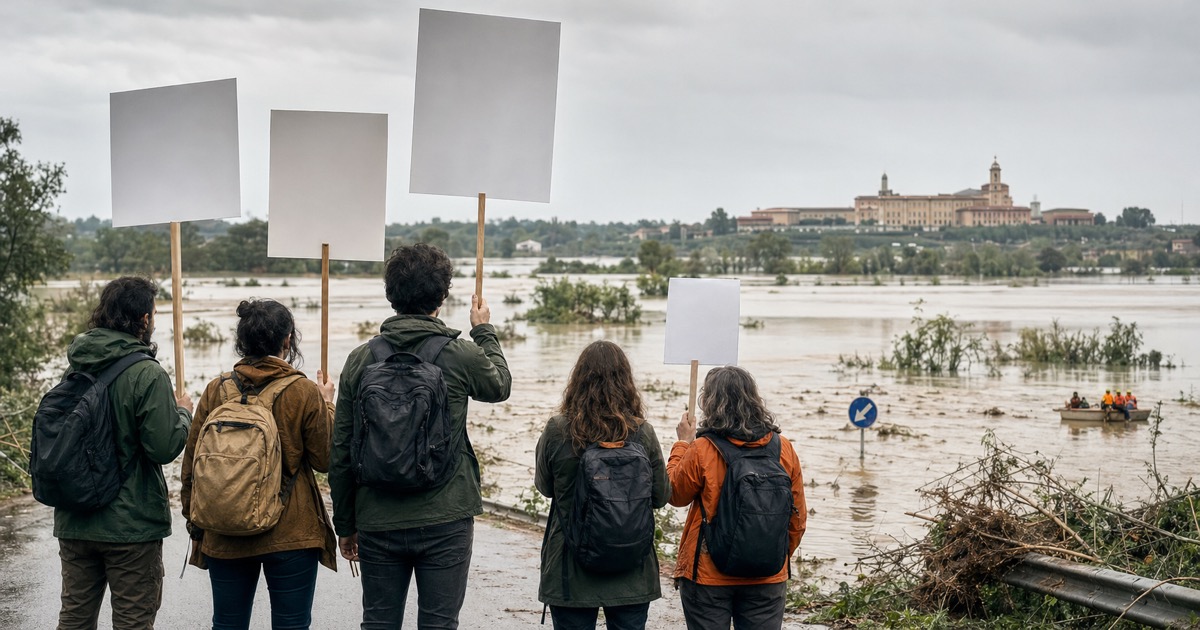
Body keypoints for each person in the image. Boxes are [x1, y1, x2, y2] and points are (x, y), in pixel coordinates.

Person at [329, 243, 511, 629]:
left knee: (378, 623)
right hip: (446, 515)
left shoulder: (360, 359)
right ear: (442, 296)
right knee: (439, 624)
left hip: (377, 516)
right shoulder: (460, 354)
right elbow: (499, 386)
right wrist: (483, 330)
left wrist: (345, 524)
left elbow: (342, 448)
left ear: (390, 295)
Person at [180, 299, 336, 629]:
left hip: (225, 528)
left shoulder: (216, 390)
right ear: (287, 340)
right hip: (292, 531)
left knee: (227, 624)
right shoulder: (303, 391)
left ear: (242, 341)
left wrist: (196, 528)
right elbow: (325, 459)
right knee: (292, 625)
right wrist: (327, 405)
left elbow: (192, 466)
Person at [53, 276, 192, 629]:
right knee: (133, 621)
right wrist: (183, 413)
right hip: (131, 525)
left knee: (74, 618)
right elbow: (164, 447)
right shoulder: (147, 373)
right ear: (143, 319)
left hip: (75, 517)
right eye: (154, 314)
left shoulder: (76, 365)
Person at [535, 340, 670, 629]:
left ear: (578, 380)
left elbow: (545, 487)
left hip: (570, 569)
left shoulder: (558, 429)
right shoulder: (642, 433)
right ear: (626, 382)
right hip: (631, 568)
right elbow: (660, 496)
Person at [668, 366, 806, 630]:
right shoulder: (784, 448)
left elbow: (674, 493)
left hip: (708, 576)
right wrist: (769, 554)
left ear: (709, 402)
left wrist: (683, 443)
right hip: (768, 576)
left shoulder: (702, 449)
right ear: (753, 398)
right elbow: (797, 518)